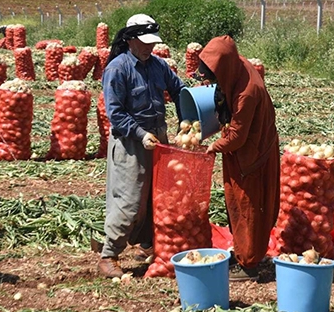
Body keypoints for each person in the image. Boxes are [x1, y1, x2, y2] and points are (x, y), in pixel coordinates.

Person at [97, 14, 186, 278]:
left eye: (152, 43)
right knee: (129, 200)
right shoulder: (117, 68)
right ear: (130, 39)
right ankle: (108, 255)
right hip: (131, 143)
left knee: (157, 197)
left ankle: (148, 246)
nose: (150, 47)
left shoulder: (158, 66)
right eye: (145, 42)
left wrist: (187, 120)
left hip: (159, 140)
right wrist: (140, 133)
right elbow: (115, 113)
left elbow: (180, 90)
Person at [198, 35, 280, 282]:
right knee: (237, 205)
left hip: (251, 155)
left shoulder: (246, 93)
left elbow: (237, 137)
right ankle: (243, 251)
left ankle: (249, 264)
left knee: (249, 207)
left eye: (212, 75)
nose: (209, 80)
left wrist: (213, 146)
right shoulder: (237, 66)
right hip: (243, 153)